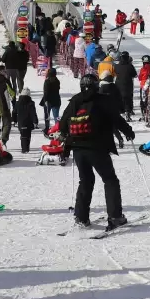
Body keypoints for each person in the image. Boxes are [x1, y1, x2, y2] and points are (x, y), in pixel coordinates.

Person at [60, 73, 135, 230]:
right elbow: (116, 118)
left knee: (85, 180)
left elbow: (62, 125)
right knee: (110, 180)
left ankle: (81, 217)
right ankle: (115, 217)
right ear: (96, 86)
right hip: (97, 146)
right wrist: (128, 131)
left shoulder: (75, 101)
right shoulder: (102, 100)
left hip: (78, 148)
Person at [15, 87, 39, 154]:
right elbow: (33, 113)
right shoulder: (31, 103)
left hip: (21, 122)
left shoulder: (17, 103)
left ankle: (24, 148)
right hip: (29, 122)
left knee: (23, 135)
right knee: (28, 135)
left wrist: (14, 120)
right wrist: (35, 121)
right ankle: (26, 148)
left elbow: (14, 112)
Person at [114, 51, 137, 120]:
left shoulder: (117, 66)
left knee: (119, 98)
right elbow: (135, 75)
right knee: (127, 98)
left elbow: (115, 73)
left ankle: (120, 111)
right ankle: (128, 112)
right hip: (128, 85)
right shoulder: (130, 66)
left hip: (118, 85)